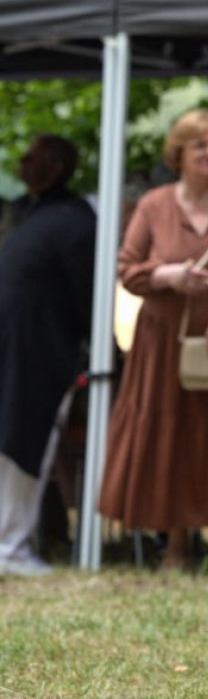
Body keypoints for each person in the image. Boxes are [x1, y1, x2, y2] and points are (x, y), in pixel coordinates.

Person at [98, 109, 208, 578]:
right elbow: (128, 269)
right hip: (164, 347)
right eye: (200, 145)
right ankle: (174, 544)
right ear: (178, 153)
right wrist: (167, 275)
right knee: (170, 436)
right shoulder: (154, 205)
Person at [0, 134, 95, 575]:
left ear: (56, 167)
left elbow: (87, 294)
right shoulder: (25, 213)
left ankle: (12, 546)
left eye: (31, 158)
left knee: (26, 441)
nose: (22, 164)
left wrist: (98, 348)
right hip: (12, 343)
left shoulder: (74, 219)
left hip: (41, 351)